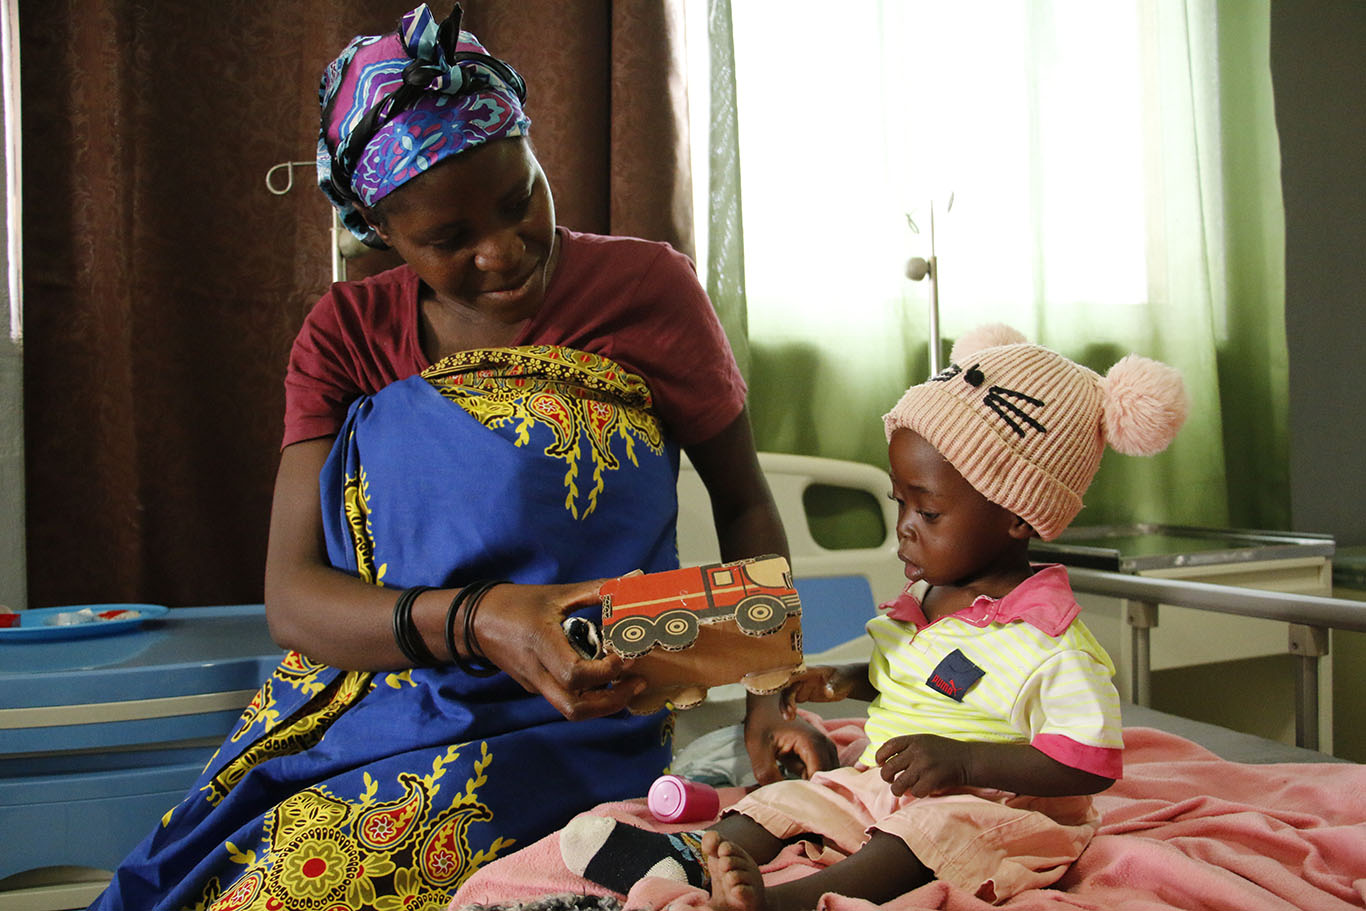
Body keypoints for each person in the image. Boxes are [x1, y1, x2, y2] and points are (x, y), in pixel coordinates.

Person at [88, 5, 834, 910]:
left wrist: (769, 692)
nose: (504, 249)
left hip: (580, 711)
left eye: (520, 197)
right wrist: (485, 620)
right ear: (384, 236)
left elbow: (745, 505)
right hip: (370, 701)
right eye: (448, 241)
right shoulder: (346, 336)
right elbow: (294, 597)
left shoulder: (649, 293)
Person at [560, 324, 1189, 910]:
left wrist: (969, 764)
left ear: (1018, 515)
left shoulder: (1048, 644)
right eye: (900, 502)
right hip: (888, 777)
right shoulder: (928, 601)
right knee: (791, 798)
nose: (904, 530)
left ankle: (785, 903)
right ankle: (688, 859)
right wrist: (842, 679)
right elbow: (911, 676)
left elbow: (1090, 761)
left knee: (929, 833)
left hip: (1000, 806)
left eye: (929, 512)